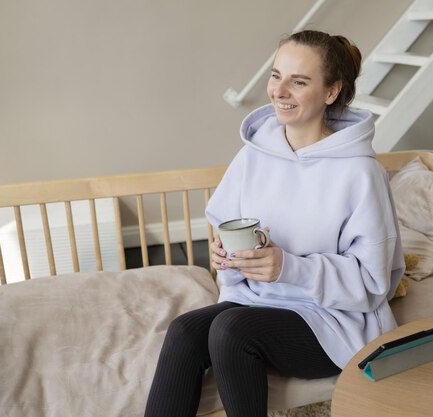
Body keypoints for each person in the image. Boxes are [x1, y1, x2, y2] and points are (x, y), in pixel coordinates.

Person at [144, 29, 405, 417]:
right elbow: (226, 223)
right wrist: (223, 255)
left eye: (299, 82)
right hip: (257, 301)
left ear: (331, 92)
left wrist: (287, 267)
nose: (280, 91)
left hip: (333, 319)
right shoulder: (255, 153)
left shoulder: (360, 173)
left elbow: (372, 283)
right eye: (276, 75)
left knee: (230, 331)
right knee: (185, 331)